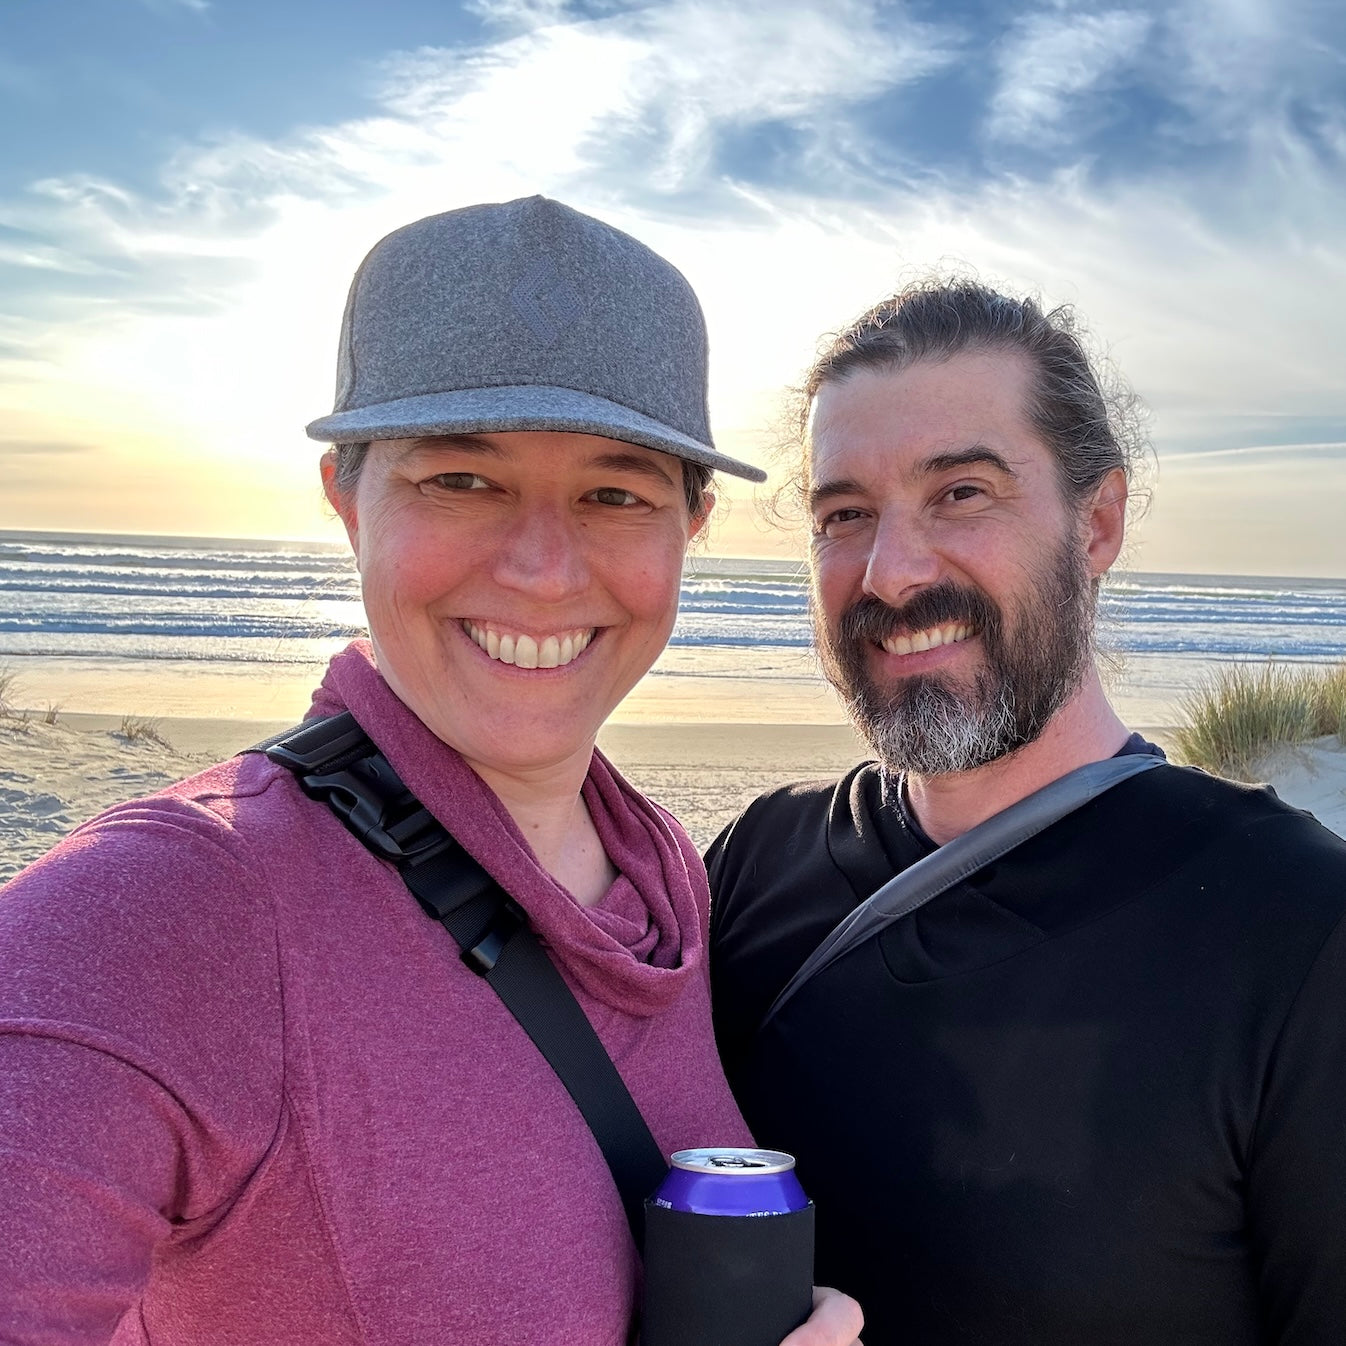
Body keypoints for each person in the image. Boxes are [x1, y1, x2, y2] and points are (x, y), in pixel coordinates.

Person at [0, 198, 861, 1346]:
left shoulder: (662, 878)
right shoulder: (164, 907)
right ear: (344, 496)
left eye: (616, 493)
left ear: (689, 525)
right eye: (460, 479)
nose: (545, 571)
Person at [707, 279, 1346, 1345]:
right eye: (842, 514)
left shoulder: (1296, 929)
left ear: (1094, 521)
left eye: (960, 492)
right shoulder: (748, 865)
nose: (889, 571)